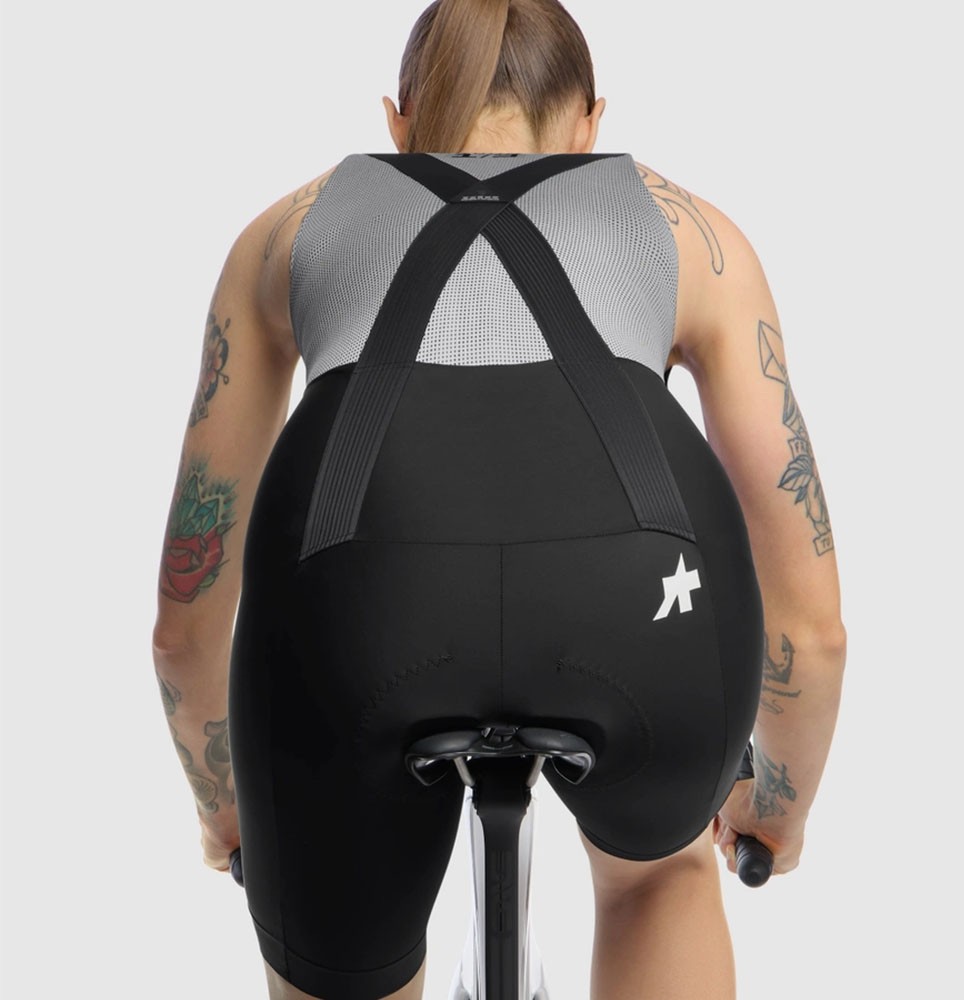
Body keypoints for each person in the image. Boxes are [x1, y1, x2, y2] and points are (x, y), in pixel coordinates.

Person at [151, 0, 847, 997]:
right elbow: (810, 626)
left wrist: (228, 803)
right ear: (590, 125)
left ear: (396, 124)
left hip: (355, 615)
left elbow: (186, 617)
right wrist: (776, 807)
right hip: (645, 612)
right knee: (659, 876)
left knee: (337, 953)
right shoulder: (693, 235)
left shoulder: (284, 235)